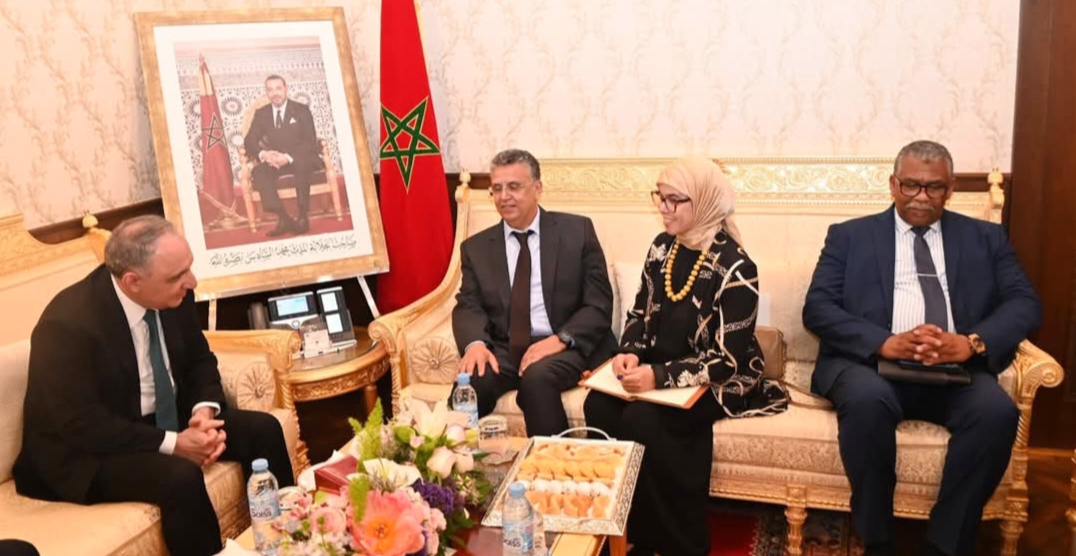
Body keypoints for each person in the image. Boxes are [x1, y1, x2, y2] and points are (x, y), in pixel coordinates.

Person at [802, 140, 1040, 556]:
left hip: (955, 370)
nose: (921, 197)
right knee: (866, 401)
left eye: (934, 187)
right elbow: (818, 308)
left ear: (950, 189)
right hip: (873, 367)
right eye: (911, 185)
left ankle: (945, 544)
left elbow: (1024, 302)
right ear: (893, 184)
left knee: (997, 413)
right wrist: (885, 342)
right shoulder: (849, 237)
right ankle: (877, 540)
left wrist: (970, 343)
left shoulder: (985, 238)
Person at [13, 215, 294, 556]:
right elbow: (82, 424)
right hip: (88, 451)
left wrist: (203, 413)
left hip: (160, 418)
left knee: (263, 430)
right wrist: (175, 444)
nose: (192, 281)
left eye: (189, 268)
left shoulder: (175, 292)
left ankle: (290, 542)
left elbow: (199, 360)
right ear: (132, 281)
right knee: (180, 477)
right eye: (177, 276)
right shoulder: (67, 324)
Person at [584, 157, 789, 556]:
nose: (663, 208)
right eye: (659, 197)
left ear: (705, 201)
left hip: (719, 379)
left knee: (643, 419)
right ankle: (625, 529)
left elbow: (726, 359)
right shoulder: (662, 248)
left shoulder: (736, 267)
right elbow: (639, 313)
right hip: (656, 369)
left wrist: (658, 376)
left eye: (674, 200)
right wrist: (629, 353)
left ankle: (676, 542)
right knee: (599, 406)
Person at [452, 148, 618, 437]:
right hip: (507, 348)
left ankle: (553, 460)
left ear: (538, 189)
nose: (504, 196)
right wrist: (475, 344)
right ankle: (458, 461)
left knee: (536, 378)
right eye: (497, 189)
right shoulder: (476, 248)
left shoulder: (577, 232)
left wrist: (560, 339)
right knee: (471, 383)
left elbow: (599, 304)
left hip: (566, 345)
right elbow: (468, 304)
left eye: (514, 187)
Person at [243, 74, 323, 237]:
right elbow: (249, 140)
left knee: (301, 164)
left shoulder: (301, 110)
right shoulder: (262, 114)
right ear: (266, 92)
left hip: (301, 157)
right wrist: (264, 154)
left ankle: (302, 216)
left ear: (286, 89)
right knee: (259, 172)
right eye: (270, 90)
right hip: (276, 160)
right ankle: (284, 218)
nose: (275, 93)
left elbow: (309, 142)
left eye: (278, 88)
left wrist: (287, 157)